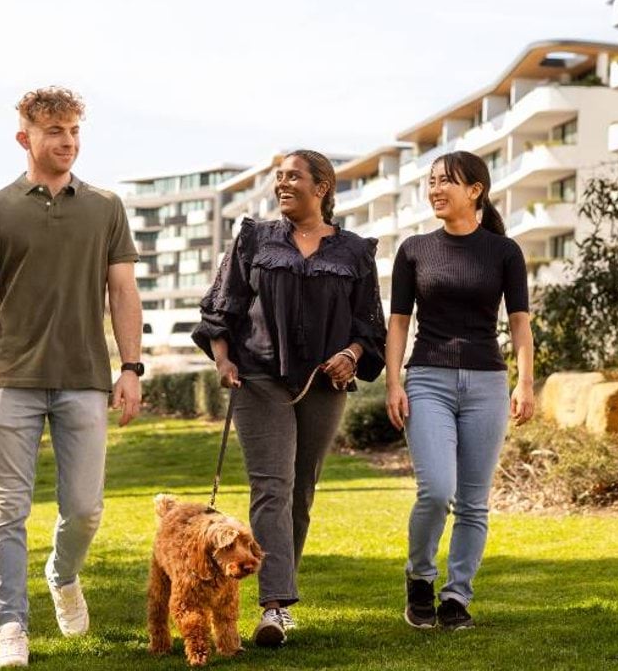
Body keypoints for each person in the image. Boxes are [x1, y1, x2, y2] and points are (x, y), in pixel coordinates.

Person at [0, 86, 145, 668]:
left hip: (85, 377)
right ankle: (11, 625)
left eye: (74, 132)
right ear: (25, 138)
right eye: (55, 132)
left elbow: (122, 290)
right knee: (6, 510)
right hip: (12, 377)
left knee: (85, 507)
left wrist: (132, 367)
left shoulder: (105, 207)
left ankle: (63, 575)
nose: (67, 142)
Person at [192, 150, 387, 648]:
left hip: (324, 385)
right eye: (278, 177)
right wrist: (223, 359)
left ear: (321, 187)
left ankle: (281, 594)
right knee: (271, 489)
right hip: (258, 378)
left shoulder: (355, 252)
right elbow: (223, 304)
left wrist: (351, 352)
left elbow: (369, 326)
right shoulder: (254, 239)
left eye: (293, 177)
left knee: (301, 492)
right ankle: (274, 607)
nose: (282, 184)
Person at [385, 150, 536, 631]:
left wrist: (525, 382)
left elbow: (519, 323)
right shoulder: (413, 250)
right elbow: (398, 323)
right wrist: (393, 382)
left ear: (475, 190)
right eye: (431, 181)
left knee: (474, 501)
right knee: (436, 491)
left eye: (446, 181)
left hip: (487, 383)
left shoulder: (504, 252)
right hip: (427, 377)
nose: (435, 189)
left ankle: (456, 598)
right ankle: (420, 577)